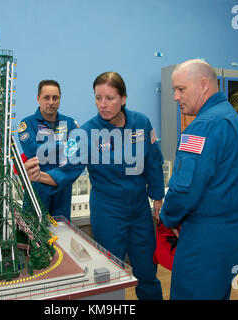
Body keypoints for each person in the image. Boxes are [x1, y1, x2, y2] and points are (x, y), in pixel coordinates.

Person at [25, 72, 164, 300]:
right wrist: (40, 176)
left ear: (123, 98)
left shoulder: (141, 123)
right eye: (98, 98)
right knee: (107, 274)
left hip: (139, 210)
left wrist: (158, 197)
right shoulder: (86, 133)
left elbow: (153, 161)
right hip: (108, 212)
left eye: (109, 98)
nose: (103, 104)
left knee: (147, 270)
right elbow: (66, 169)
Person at [159, 59, 238, 300]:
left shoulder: (203, 127)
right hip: (234, 231)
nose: (175, 97)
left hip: (206, 238)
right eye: (174, 90)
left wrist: (168, 218)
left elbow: (184, 189)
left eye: (181, 89)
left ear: (203, 84)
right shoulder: (231, 117)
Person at [17, 80, 79, 221]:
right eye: (46, 97)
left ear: (59, 99)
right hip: (37, 191)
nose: (51, 102)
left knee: (62, 236)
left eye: (55, 98)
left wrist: (48, 147)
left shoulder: (70, 123)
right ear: (38, 99)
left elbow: (76, 153)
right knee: (32, 237)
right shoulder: (27, 124)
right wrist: (64, 144)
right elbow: (34, 152)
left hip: (62, 191)